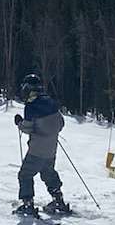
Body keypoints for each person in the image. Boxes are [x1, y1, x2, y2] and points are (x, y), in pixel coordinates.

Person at [12, 73, 71, 217]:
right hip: (51, 148)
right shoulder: (50, 102)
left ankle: (28, 204)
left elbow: (27, 128)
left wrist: (19, 123)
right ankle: (58, 199)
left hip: (37, 150)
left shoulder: (31, 106)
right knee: (48, 172)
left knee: (25, 174)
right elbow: (60, 123)